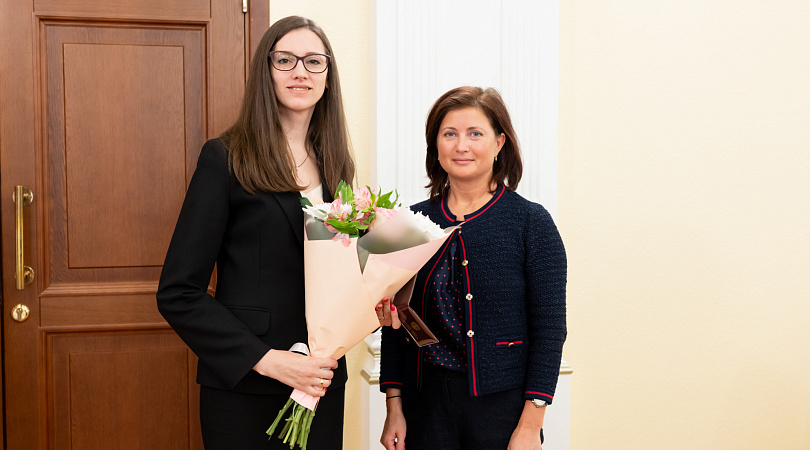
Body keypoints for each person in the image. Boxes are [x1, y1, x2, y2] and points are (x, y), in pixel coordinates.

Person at [157, 16, 367, 449]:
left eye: (314, 62)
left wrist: (375, 300)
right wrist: (268, 361)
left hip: (322, 383)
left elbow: (339, 276)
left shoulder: (338, 166)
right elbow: (178, 292)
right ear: (265, 72)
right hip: (246, 387)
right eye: (285, 60)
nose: (300, 72)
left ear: (328, 77)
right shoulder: (225, 157)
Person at [379, 86, 567, 450]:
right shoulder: (409, 222)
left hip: (502, 409)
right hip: (425, 405)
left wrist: (530, 425)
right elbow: (395, 327)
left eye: (474, 134)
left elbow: (550, 329)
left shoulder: (531, 222)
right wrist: (394, 406)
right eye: (449, 134)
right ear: (436, 145)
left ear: (500, 143)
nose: (461, 146)